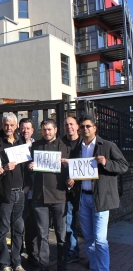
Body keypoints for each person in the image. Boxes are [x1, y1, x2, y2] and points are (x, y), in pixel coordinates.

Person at [68, 115, 128, 271]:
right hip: (83, 198)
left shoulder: (107, 146)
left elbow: (123, 166)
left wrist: (107, 162)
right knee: (88, 239)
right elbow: (77, 171)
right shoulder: (77, 149)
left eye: (88, 126)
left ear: (95, 128)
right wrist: (72, 179)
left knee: (100, 240)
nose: (85, 129)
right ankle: (94, 267)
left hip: (100, 199)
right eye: (82, 126)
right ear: (79, 129)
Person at [28, 118, 69, 271]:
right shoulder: (35, 146)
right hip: (39, 197)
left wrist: (68, 171)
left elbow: (71, 171)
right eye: (44, 130)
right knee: (42, 235)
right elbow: (26, 167)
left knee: (61, 236)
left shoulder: (64, 147)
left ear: (55, 130)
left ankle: (62, 266)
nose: (46, 132)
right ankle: (44, 266)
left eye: (49, 129)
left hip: (59, 196)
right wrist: (30, 166)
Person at [0, 113, 26, 271]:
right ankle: (4, 263)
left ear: (16, 126)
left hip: (20, 192)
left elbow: (27, 166)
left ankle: (17, 261)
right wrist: (4, 169)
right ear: (2, 125)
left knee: (18, 228)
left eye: (11, 125)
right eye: (6, 125)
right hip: (5, 192)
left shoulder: (22, 142)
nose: (8, 128)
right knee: (2, 229)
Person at [61, 117, 81, 263]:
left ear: (77, 126)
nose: (69, 127)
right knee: (69, 223)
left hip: (83, 189)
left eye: (71, 124)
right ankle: (72, 252)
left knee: (87, 226)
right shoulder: (60, 143)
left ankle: (93, 255)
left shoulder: (84, 143)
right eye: (66, 125)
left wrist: (76, 176)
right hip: (65, 190)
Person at [19, 118, 38, 267]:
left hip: (32, 193)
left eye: (28, 128)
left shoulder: (37, 147)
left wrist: (29, 186)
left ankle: (33, 255)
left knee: (32, 226)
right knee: (18, 225)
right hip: (18, 191)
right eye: (23, 128)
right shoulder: (15, 145)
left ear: (32, 130)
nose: (25, 130)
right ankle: (16, 255)